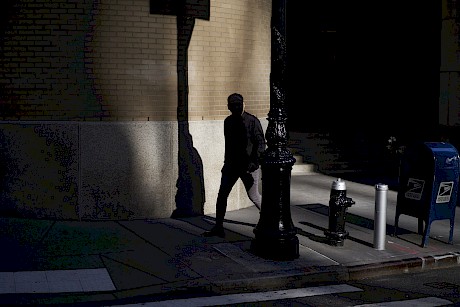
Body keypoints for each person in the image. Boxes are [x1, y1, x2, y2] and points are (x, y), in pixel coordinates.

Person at [203, 93, 266, 238]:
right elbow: (229, 146)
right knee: (222, 195)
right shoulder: (228, 122)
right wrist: (226, 163)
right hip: (232, 165)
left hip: (249, 166)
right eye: (233, 105)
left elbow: (260, 143)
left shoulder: (252, 121)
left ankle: (270, 219)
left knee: (254, 196)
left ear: (243, 105)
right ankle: (218, 227)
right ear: (228, 107)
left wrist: (254, 162)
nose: (236, 107)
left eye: (238, 104)